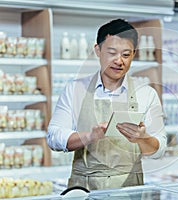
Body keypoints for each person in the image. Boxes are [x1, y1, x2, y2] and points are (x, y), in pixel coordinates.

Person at [47, 19, 167, 190]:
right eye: (112, 52)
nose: (119, 61)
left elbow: (159, 150)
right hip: (85, 189)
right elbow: (53, 137)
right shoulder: (75, 90)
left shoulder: (146, 94)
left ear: (134, 54)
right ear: (98, 50)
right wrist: (89, 137)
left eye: (126, 55)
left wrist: (143, 138)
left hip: (129, 190)